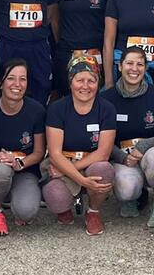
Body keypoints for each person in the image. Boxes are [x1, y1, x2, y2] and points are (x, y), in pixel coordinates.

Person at [44, 56, 118, 235]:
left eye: (91, 80)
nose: (85, 86)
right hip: (63, 162)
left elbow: (103, 153)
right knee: (55, 196)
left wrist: (74, 172)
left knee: (104, 169)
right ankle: (65, 207)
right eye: (80, 80)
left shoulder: (107, 108)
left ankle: (93, 211)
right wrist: (81, 179)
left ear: (98, 83)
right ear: (70, 82)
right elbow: (55, 153)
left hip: (91, 164)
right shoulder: (57, 108)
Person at [101, 47, 154, 223]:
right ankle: (133, 198)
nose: (134, 69)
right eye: (129, 63)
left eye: (140, 64)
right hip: (123, 158)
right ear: (120, 66)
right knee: (127, 189)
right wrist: (121, 157)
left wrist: (143, 146)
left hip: (150, 155)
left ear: (146, 68)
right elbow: (100, 141)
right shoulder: (106, 99)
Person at [0, 59, 47, 234]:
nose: (17, 84)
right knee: (2, 169)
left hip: (24, 169)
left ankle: (9, 195)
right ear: (0, 83)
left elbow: (39, 152)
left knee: (27, 212)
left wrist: (20, 163)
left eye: (22, 79)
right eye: (11, 78)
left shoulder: (36, 110)